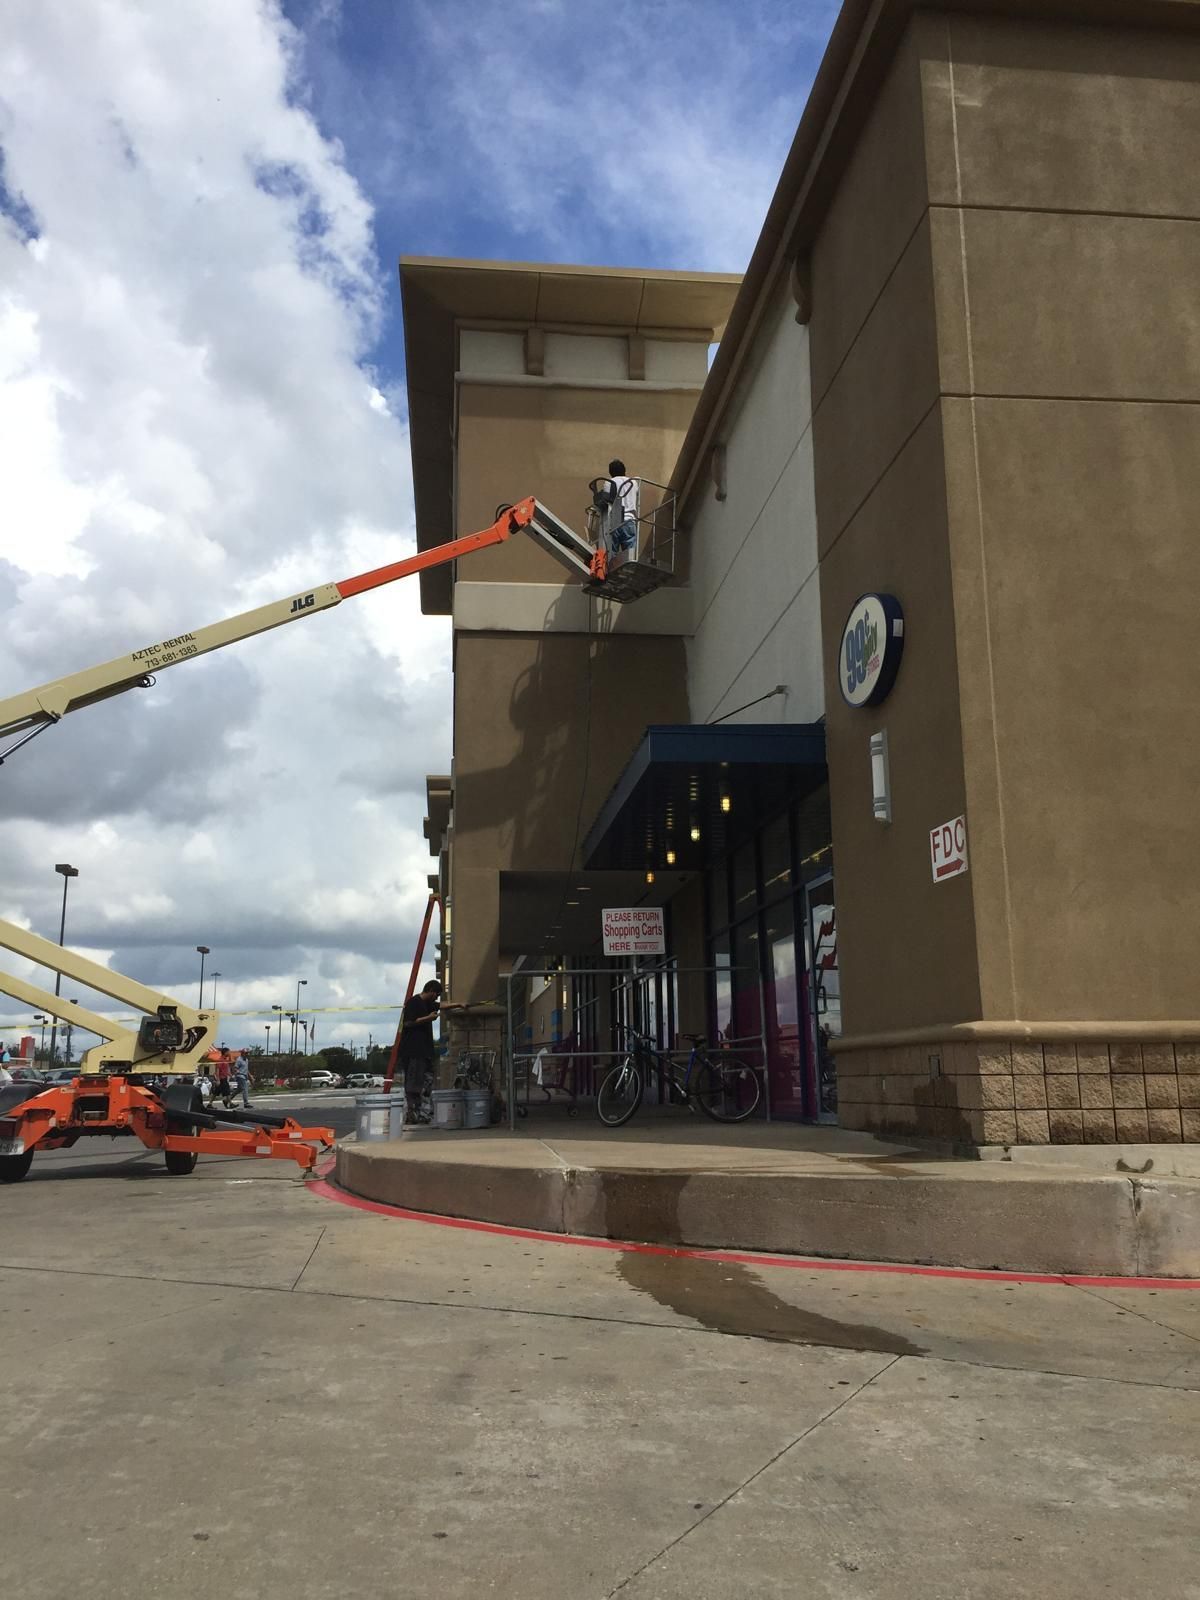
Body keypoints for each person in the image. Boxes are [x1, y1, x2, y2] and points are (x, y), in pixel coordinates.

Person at [399, 980, 442, 1123]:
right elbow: (408, 1023)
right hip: (413, 1051)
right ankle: (412, 1114)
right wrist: (428, 1018)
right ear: (430, 990)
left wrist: (459, 1004)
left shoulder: (428, 1004)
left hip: (426, 1052)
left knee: (427, 1083)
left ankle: (424, 1113)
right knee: (414, 1084)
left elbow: (442, 1006)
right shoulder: (413, 1003)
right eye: (436, 994)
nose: (437, 998)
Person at [603, 458, 639, 555]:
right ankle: (629, 569)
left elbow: (606, 501)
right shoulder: (633, 482)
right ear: (624, 470)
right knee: (629, 554)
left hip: (615, 520)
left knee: (611, 555)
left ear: (610, 472)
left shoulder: (609, 482)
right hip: (629, 520)